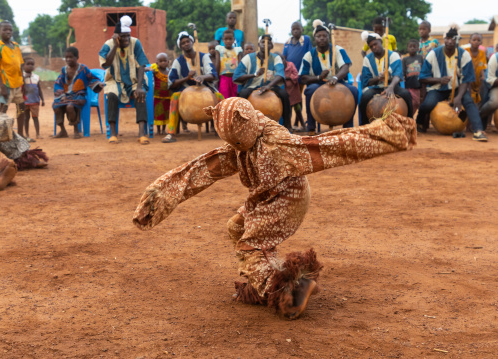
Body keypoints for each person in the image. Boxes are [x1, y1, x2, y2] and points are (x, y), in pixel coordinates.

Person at [133, 97, 417, 320]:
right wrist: (157, 199)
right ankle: (265, 279)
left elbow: (331, 145)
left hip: (287, 199)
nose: (233, 147)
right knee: (236, 227)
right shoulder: (238, 146)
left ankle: (287, 291)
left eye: (236, 141)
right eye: (230, 142)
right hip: (265, 198)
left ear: (246, 122)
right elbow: (198, 171)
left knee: (251, 245)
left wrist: (389, 135)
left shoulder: (277, 143)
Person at [417, 25, 488, 141]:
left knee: (469, 103)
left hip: (457, 89)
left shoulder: (464, 55)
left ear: (457, 40)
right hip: (438, 89)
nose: (450, 41)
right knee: (428, 104)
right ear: (443, 39)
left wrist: (459, 97)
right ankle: (419, 123)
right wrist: (439, 80)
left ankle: (478, 130)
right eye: (447, 38)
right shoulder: (433, 54)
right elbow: (422, 78)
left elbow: (466, 80)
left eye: (453, 38)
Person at [162, 31, 221, 143]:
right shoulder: (178, 61)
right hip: (185, 92)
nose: (186, 44)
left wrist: (203, 77)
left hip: (206, 90)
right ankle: (170, 133)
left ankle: (223, 130)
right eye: (183, 43)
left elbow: (213, 74)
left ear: (192, 42)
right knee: (174, 97)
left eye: (188, 41)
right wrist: (186, 78)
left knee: (220, 97)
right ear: (180, 46)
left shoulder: (204, 57)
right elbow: (171, 82)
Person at [301, 20, 359, 134]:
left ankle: (348, 126)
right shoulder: (309, 55)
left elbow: (345, 67)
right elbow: (303, 77)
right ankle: (311, 128)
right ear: (315, 39)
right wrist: (318, 77)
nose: (322, 38)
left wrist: (336, 77)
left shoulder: (338, 50)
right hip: (318, 84)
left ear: (329, 37)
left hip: (338, 81)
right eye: (318, 36)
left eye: (324, 36)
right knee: (309, 90)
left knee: (354, 91)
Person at [99, 15, 150, 145]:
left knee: (140, 95)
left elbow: (142, 65)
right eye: (123, 36)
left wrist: (139, 87)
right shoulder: (108, 45)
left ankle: (141, 134)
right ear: (117, 36)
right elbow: (106, 64)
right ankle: (113, 134)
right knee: (111, 95)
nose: (126, 38)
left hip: (134, 80)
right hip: (114, 80)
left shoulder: (136, 43)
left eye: (128, 35)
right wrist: (115, 46)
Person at [233, 34, 292, 130]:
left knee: (284, 95)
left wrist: (269, 86)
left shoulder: (276, 58)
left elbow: (280, 75)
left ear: (271, 46)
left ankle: (287, 125)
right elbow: (236, 77)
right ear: (259, 45)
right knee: (242, 94)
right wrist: (254, 74)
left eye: (268, 42)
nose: (265, 44)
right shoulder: (248, 58)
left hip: (271, 87)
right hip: (252, 86)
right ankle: (241, 125)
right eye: (263, 42)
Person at [359, 32, 413, 125]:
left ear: (380, 42)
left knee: (406, 94)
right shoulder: (367, 59)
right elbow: (366, 80)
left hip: (392, 86)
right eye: (371, 46)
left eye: (375, 44)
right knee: (364, 97)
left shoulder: (393, 55)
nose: (374, 47)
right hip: (375, 88)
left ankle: (409, 123)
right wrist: (378, 78)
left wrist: (391, 87)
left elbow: (398, 75)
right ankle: (364, 125)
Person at [53, 47, 104, 139]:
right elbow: (58, 83)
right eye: (66, 57)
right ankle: (63, 130)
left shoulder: (83, 69)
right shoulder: (64, 70)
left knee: (70, 106)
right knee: (56, 105)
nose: (68, 59)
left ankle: (76, 129)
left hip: (79, 95)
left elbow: (92, 77)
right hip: (66, 96)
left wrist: (98, 83)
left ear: (77, 57)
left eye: (71, 57)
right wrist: (62, 95)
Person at [0, 21, 26, 138]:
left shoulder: (16, 46)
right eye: (5, 29)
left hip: (18, 83)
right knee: (3, 110)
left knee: (21, 108)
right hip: (6, 83)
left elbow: (20, 64)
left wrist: (23, 81)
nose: (8, 32)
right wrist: (1, 86)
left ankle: (21, 134)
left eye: (10, 30)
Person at [279, 53, 304, 131]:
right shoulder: (278, 67)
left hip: (294, 91)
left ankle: (303, 125)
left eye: (282, 59)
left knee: (298, 108)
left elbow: (296, 74)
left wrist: (287, 77)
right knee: (288, 110)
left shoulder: (291, 65)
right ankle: (288, 126)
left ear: (284, 58)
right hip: (285, 92)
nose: (281, 61)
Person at [22, 57, 45, 141]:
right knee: (26, 118)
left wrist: (42, 99)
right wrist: (24, 78)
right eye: (28, 64)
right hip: (25, 102)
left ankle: (38, 134)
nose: (30, 66)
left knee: (35, 117)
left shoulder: (36, 77)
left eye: (32, 64)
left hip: (35, 101)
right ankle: (27, 134)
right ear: (23, 65)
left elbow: (39, 89)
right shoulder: (21, 76)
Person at [216, 29, 243, 99]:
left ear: (234, 39)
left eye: (230, 39)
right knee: (223, 99)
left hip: (235, 79)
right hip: (224, 78)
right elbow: (217, 64)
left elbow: (240, 66)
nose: (228, 41)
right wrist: (216, 79)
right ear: (222, 40)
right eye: (226, 39)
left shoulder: (238, 50)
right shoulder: (219, 49)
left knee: (234, 99)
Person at [151, 53, 171, 135]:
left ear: (168, 62)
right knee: (158, 113)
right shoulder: (155, 71)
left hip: (167, 96)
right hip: (157, 96)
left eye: (164, 61)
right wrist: (151, 71)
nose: (163, 63)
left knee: (166, 113)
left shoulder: (169, 71)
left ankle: (163, 129)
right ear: (157, 62)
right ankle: (158, 130)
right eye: (160, 61)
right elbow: (144, 69)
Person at [465, 33, 487, 105]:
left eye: (478, 40)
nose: (476, 42)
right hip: (467, 79)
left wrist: (483, 76)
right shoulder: (465, 51)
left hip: (477, 80)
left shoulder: (482, 53)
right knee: (469, 97)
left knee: (479, 98)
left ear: (481, 42)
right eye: (474, 40)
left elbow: (482, 66)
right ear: (470, 41)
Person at [402, 39, 424, 114]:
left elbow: (423, 69)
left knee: (417, 102)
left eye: (414, 47)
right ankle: (410, 115)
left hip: (418, 85)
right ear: (407, 48)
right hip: (409, 85)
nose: (412, 48)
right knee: (411, 102)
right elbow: (403, 71)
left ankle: (412, 115)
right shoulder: (405, 59)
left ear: (418, 48)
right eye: (410, 46)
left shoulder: (420, 58)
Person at [479, 51, 498, 129]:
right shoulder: (495, 58)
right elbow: (490, 79)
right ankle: (479, 116)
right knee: (494, 102)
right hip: (495, 85)